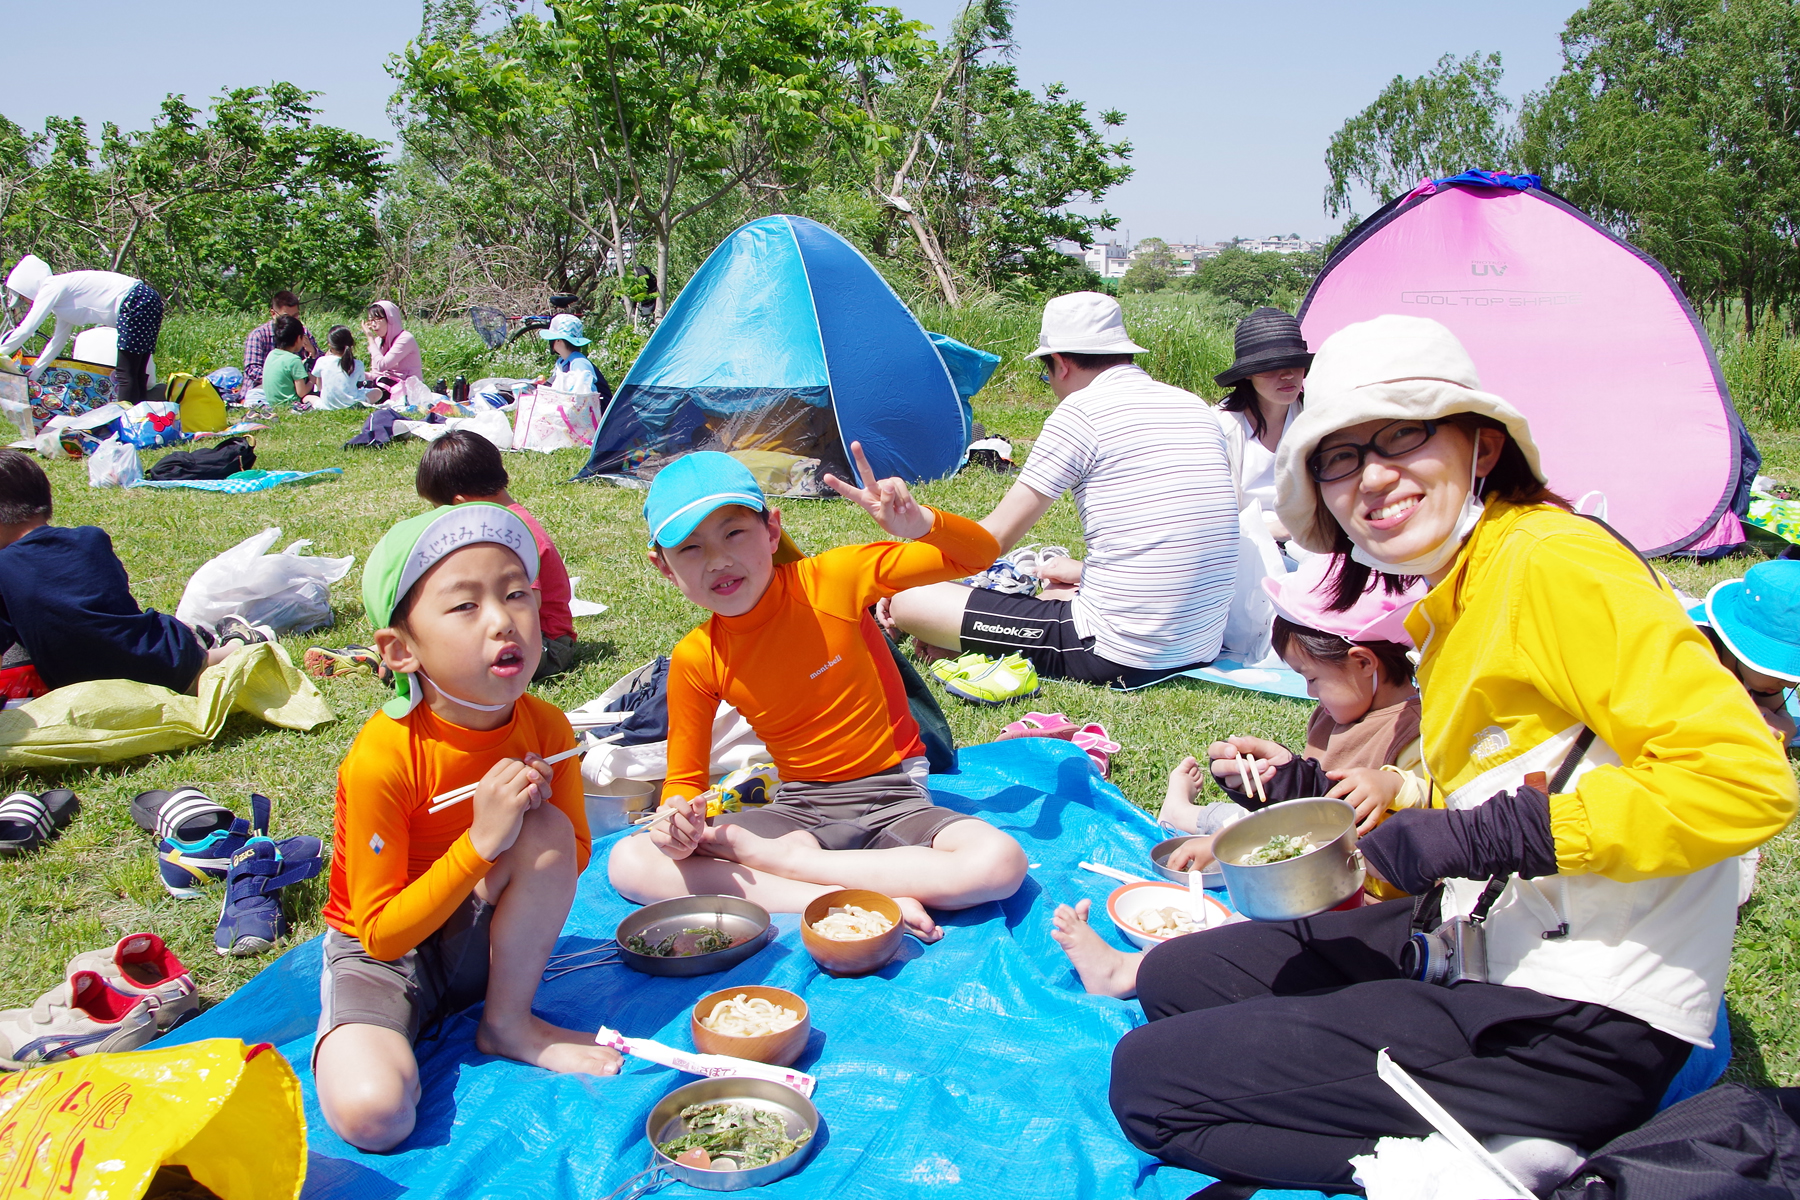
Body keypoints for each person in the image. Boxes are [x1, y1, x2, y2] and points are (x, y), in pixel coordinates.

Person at [1104, 315, 1798, 1193]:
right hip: (1484, 935)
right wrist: (1318, 788)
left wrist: (1458, 842)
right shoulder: (1462, 589)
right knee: (1176, 975)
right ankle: (1419, 1082)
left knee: (1152, 1084)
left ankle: (1484, 1166)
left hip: (1578, 1014)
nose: (1375, 475)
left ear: (1480, 444)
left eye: (1403, 435)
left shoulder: (1554, 564)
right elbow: (1499, 772)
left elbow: (1742, 786)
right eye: (1341, 456)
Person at [606, 448, 1028, 939]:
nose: (718, 560)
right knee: (631, 860)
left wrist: (918, 522)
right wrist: (677, 818)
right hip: (800, 807)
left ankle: (785, 865)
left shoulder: (833, 580)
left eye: (734, 533)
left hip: (891, 793)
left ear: (771, 531)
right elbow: (684, 780)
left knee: (1000, 863)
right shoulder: (698, 657)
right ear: (664, 567)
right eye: (691, 548)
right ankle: (835, 895)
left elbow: (978, 554)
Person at [313, 504, 620, 1153]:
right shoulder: (384, 757)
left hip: (474, 942)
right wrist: (481, 841)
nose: (503, 621)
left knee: (547, 828)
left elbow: (575, 852)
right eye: (465, 606)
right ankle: (365, 1030)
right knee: (375, 1116)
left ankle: (507, 1023)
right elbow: (378, 932)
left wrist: (516, 831)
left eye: (516, 594)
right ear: (399, 649)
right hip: (382, 959)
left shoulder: (545, 726)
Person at [1051, 555, 1428, 998]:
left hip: (1361, 900)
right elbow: (1305, 821)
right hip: (1314, 866)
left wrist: (1395, 786)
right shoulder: (1339, 714)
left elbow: (1424, 820)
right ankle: (1185, 813)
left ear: (1364, 662)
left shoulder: (1414, 733)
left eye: (1311, 678)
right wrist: (1280, 774)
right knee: (1231, 824)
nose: (1309, 693)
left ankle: (1126, 972)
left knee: (1249, 928)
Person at [885, 292, 1239, 689]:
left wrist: (912, 545)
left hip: (1117, 653)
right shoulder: (1194, 406)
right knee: (1057, 586)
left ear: (1061, 364)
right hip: (1203, 640)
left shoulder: (1082, 412)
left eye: (1046, 375)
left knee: (911, 601)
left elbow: (989, 541)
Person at [0, 449, 269, 696]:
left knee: (208, 663)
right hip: (164, 662)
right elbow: (115, 603)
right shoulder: (90, 539)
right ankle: (226, 644)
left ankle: (240, 643)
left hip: (86, 694)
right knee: (202, 664)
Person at [414, 430, 578, 678]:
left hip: (547, 646)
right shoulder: (504, 523)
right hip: (529, 638)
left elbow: (527, 604)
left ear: (460, 503)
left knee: (446, 658)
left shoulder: (509, 532)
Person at [0, 255, 164, 405]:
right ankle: (141, 420)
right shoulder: (62, 300)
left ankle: (129, 422)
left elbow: (27, 329)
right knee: (136, 373)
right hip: (146, 299)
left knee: (125, 373)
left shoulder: (51, 286)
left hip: (134, 300)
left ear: (29, 287)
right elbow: (57, 341)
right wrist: (34, 373)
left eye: (23, 297)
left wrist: (2, 351)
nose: (27, 303)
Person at [1212, 306, 1312, 542]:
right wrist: (1268, 531)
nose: (1287, 375)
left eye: (1294, 363)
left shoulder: (1314, 417)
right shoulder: (1219, 427)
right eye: (1271, 366)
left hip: (1309, 538)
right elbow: (1207, 515)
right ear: (1248, 373)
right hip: (1241, 544)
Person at [1689, 560, 1800, 745]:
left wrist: (1784, 725)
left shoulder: (1763, 679)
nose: (1789, 682)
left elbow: (1774, 712)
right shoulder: (1694, 651)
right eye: (1774, 664)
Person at [243, 290, 318, 388]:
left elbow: (321, 364)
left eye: (295, 316)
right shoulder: (258, 335)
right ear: (273, 313)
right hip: (262, 389)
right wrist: (284, 379)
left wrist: (313, 352)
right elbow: (252, 369)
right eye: (286, 316)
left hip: (296, 389)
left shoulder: (303, 333)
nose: (291, 321)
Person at [537, 313, 612, 403]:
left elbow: (586, 393)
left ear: (558, 340)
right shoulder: (561, 362)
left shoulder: (579, 363)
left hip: (599, 412)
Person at [363, 301, 425, 401]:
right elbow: (376, 374)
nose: (373, 325)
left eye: (377, 319)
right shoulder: (378, 341)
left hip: (407, 388)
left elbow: (382, 365)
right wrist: (355, 373)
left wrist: (370, 338)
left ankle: (363, 401)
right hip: (385, 384)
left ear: (390, 319)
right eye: (371, 320)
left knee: (381, 383)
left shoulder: (405, 339)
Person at [261, 315, 315, 408]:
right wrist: (312, 381)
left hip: (273, 404)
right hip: (291, 405)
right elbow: (301, 392)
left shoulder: (271, 354)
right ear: (298, 338)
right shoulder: (294, 360)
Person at [310, 325, 369, 410]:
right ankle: (358, 405)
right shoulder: (358, 364)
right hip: (352, 402)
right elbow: (359, 384)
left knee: (307, 397)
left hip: (327, 404)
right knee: (377, 392)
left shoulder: (322, 361)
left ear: (330, 345)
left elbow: (319, 385)